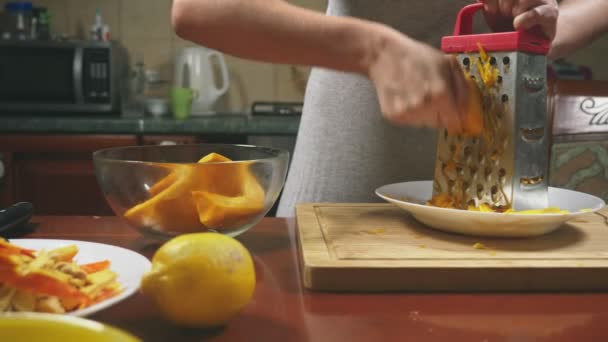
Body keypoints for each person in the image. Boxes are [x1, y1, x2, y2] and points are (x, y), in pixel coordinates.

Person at [171, 0, 558, 217]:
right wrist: (374, 50)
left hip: (499, 190)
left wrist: (534, 24)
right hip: (347, 190)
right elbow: (197, 9)